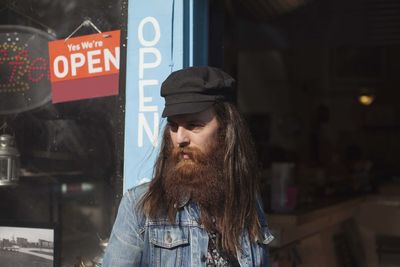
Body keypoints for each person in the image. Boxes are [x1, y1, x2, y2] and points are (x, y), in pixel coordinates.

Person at [103, 66, 274, 266]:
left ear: (226, 128)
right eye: (173, 126)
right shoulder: (140, 207)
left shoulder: (246, 199)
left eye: (194, 125)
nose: (180, 138)